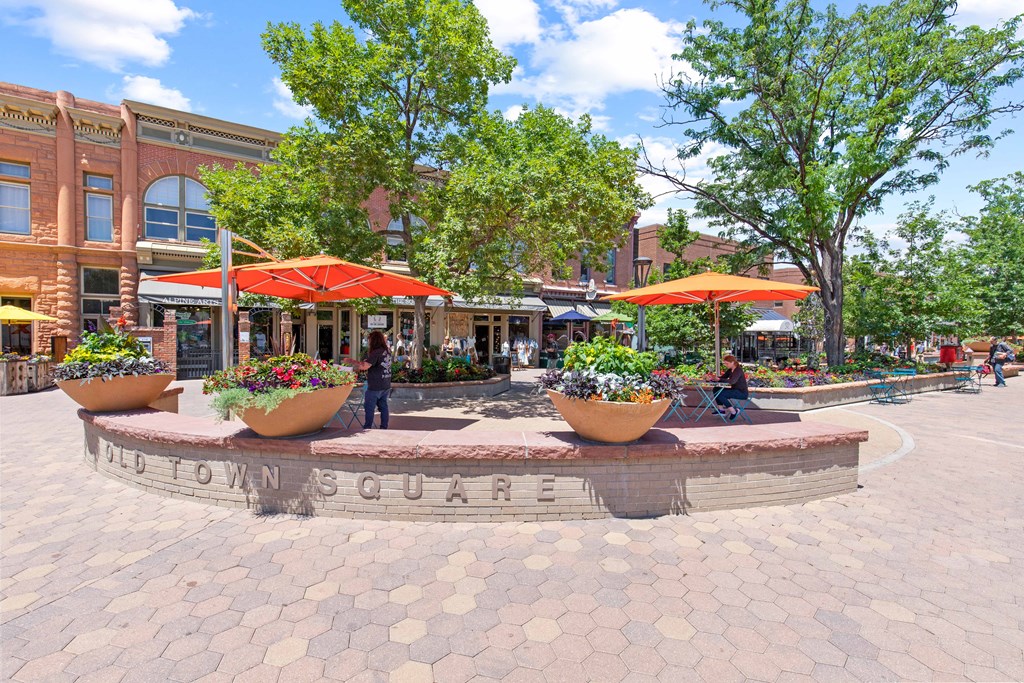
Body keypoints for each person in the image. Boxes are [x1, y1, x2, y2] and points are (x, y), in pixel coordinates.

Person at [355, 330, 391, 428]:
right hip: (385, 383)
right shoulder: (386, 351)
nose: (368, 342)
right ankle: (384, 427)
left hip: (375, 385)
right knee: (383, 407)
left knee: (369, 408)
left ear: (374, 340)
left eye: (369, 340)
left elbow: (365, 366)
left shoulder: (376, 352)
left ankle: (367, 427)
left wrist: (356, 364)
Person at [714, 354, 749, 422]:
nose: (726, 365)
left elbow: (732, 381)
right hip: (734, 390)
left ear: (732, 362)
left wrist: (719, 379)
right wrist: (714, 378)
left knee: (721, 393)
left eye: (727, 363)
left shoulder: (738, 370)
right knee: (716, 389)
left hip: (741, 392)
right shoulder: (730, 370)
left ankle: (734, 411)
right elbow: (723, 377)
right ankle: (721, 410)